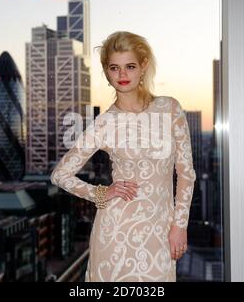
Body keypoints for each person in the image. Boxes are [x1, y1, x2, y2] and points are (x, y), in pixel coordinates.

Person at [50, 31, 196, 282]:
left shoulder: (170, 108)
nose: (122, 75)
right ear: (107, 73)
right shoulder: (104, 124)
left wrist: (179, 226)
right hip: (114, 235)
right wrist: (101, 193)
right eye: (114, 68)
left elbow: (186, 173)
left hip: (160, 232)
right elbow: (60, 174)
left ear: (143, 66)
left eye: (130, 66)